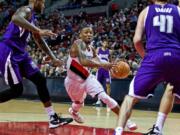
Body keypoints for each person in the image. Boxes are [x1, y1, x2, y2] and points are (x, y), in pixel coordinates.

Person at [0, 0, 72, 129]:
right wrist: (39, 30)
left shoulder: (31, 19)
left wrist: (54, 58)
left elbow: (39, 40)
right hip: (9, 51)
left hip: (21, 54)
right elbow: (15, 18)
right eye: (43, 2)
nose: (44, 5)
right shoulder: (26, 10)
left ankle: (52, 118)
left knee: (40, 79)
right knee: (17, 90)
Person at [114, 0, 180, 134]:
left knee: (130, 97)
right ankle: (158, 129)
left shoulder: (146, 11)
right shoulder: (178, 10)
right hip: (176, 56)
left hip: (154, 56)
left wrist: (146, 57)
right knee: (171, 90)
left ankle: (118, 131)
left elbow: (137, 40)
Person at [64, 26, 137, 130]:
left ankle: (125, 120)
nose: (89, 34)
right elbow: (84, 61)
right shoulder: (77, 44)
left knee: (104, 97)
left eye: (91, 32)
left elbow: (99, 61)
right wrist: (103, 65)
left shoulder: (92, 49)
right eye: (86, 32)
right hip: (73, 82)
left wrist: (111, 65)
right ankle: (74, 111)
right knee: (78, 103)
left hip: (87, 78)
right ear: (80, 35)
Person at [95, 39, 113, 111]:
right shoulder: (98, 49)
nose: (105, 43)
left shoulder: (109, 51)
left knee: (108, 85)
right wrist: (95, 66)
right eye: (104, 42)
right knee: (98, 85)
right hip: (99, 69)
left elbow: (111, 61)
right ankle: (99, 100)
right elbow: (95, 58)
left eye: (106, 43)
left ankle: (108, 101)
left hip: (106, 70)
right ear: (102, 43)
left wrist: (111, 68)